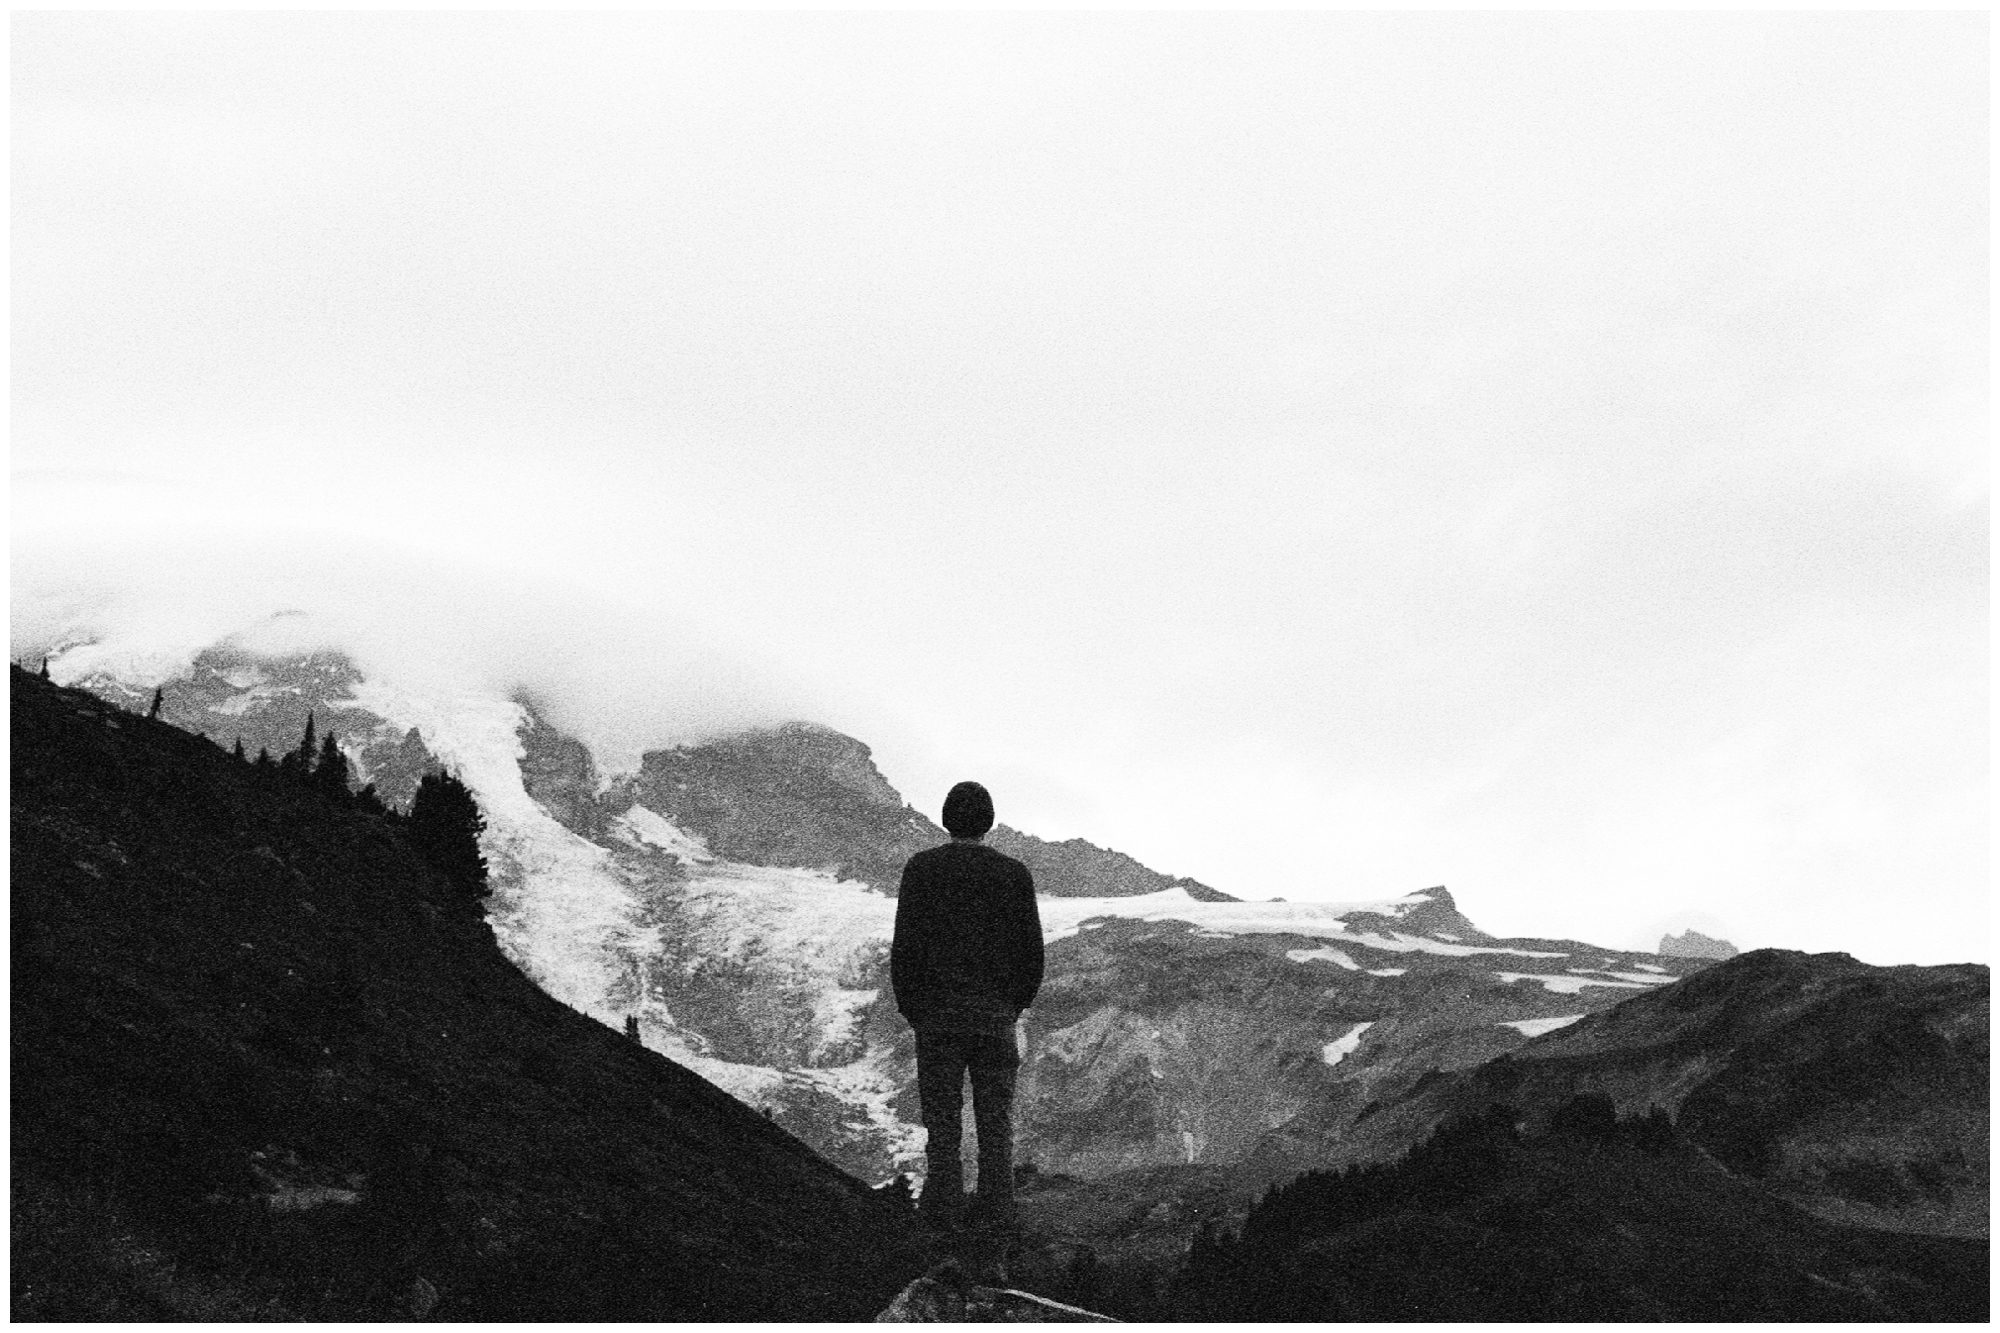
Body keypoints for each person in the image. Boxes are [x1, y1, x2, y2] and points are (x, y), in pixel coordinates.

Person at [891, 780, 1043, 1232]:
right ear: (989, 821)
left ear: (946, 819)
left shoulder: (922, 870)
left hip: (937, 1018)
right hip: (994, 1018)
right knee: (997, 1130)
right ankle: (996, 1236)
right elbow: (1031, 952)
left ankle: (941, 1229)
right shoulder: (1014, 874)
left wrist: (914, 1009)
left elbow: (905, 947)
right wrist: (1013, 1005)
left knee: (943, 1130)